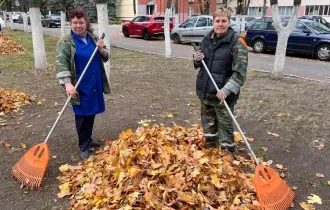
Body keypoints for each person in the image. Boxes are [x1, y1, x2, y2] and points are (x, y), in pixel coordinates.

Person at [193, 8, 248, 160]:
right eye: (217, 21)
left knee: (225, 127)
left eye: (224, 21)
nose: (220, 24)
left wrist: (227, 89)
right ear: (213, 22)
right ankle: (211, 151)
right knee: (208, 126)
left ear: (229, 23)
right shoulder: (207, 39)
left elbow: (240, 73)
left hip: (223, 95)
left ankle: (227, 157)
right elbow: (201, 64)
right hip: (206, 91)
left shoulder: (237, 42)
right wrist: (197, 59)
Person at [56, 8, 111, 160]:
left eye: (80, 22)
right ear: (71, 23)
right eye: (75, 23)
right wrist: (67, 84)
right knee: (81, 115)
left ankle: (89, 138)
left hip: (95, 82)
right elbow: (61, 65)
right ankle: (83, 145)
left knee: (91, 112)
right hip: (79, 85)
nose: (78, 26)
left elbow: (106, 56)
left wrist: (100, 49)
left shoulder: (93, 37)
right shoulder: (66, 42)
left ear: (86, 23)